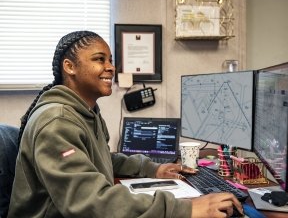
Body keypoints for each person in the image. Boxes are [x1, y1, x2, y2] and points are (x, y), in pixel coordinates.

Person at [8, 30, 243, 218]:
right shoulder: (57, 121)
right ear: (70, 67)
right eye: (100, 59)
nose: (111, 67)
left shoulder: (83, 112)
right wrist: (186, 209)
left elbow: (102, 158)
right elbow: (89, 202)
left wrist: (153, 169)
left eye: (110, 60)